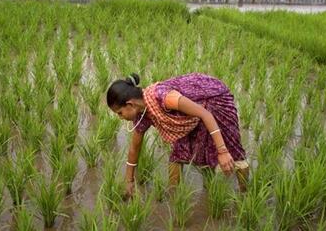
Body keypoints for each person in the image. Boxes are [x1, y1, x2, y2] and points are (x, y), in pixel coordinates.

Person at [106, 72, 249, 197]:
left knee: (232, 150)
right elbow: (134, 149)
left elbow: (205, 114)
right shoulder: (142, 114)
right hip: (187, 116)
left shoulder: (164, 97)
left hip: (214, 101)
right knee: (178, 154)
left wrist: (223, 151)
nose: (120, 117)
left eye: (120, 112)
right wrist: (129, 181)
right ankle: (174, 197)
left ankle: (245, 194)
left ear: (130, 104)